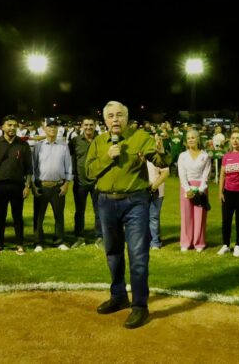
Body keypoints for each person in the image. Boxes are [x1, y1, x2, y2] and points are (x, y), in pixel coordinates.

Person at [86, 100, 170, 329]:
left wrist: (162, 151)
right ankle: (119, 296)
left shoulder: (141, 137)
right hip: (105, 202)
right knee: (112, 252)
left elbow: (161, 162)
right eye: (111, 116)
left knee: (138, 255)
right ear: (104, 120)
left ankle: (140, 306)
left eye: (119, 115)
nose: (115, 119)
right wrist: (107, 157)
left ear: (127, 117)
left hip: (135, 202)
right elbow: (88, 171)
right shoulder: (98, 142)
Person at [0, 115, 32, 255]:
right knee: (0, 216)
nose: (12, 128)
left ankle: (19, 244)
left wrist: (27, 186)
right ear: (2, 127)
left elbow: (29, 168)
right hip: (0, 185)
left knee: (18, 216)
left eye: (14, 125)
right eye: (9, 125)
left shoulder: (23, 144)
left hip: (18, 185)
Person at [32, 117, 73, 251]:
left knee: (59, 215)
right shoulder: (38, 146)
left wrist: (66, 184)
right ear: (44, 128)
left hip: (58, 186)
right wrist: (33, 185)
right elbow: (33, 166)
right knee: (38, 216)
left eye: (55, 127)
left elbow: (69, 166)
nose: (52, 129)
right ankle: (38, 242)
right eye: (50, 127)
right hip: (42, 186)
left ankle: (59, 241)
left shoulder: (63, 146)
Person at [69, 118, 103, 249]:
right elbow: (70, 158)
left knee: (99, 211)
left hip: (97, 182)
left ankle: (100, 237)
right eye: (86, 125)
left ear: (95, 126)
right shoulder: (75, 141)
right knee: (79, 212)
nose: (88, 127)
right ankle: (79, 237)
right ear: (82, 126)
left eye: (91, 125)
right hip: (80, 182)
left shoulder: (101, 140)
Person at [217, 131, 239, 257]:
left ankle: (238, 245)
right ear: (230, 140)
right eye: (233, 138)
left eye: (238, 138)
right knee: (226, 220)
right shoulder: (227, 156)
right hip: (228, 192)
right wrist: (220, 192)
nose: (235, 140)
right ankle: (225, 245)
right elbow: (222, 175)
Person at [177, 129, 211, 252]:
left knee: (200, 215)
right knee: (186, 215)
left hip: (201, 189)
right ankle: (186, 242)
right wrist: (187, 189)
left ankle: (199, 242)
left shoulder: (205, 156)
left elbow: (206, 175)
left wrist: (201, 190)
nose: (190, 140)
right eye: (188, 138)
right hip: (186, 188)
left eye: (193, 137)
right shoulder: (183, 156)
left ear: (198, 139)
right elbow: (182, 173)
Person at [147, 156, 170, 250]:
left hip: (157, 191)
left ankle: (155, 242)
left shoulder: (159, 157)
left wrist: (154, 186)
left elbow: (165, 172)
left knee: (153, 217)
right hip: (140, 191)